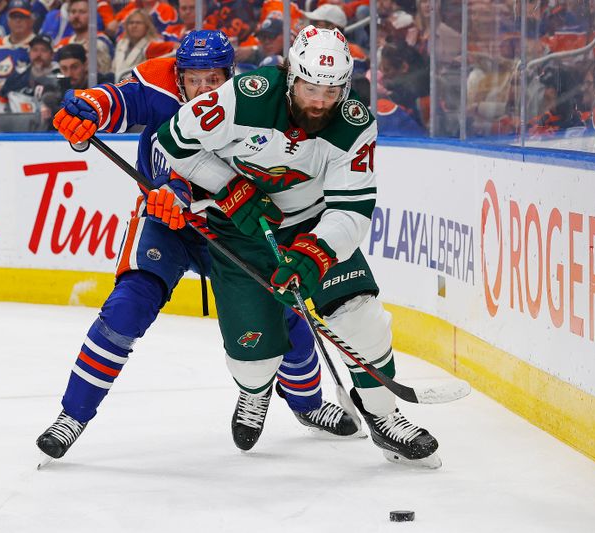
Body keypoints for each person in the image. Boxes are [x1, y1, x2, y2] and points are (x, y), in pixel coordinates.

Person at [36, 29, 360, 462]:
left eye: (214, 79)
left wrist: (184, 191)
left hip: (227, 229)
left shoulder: (249, 106)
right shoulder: (161, 90)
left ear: (229, 75)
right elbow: (123, 101)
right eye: (194, 79)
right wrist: (91, 109)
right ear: (179, 77)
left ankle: (308, 403)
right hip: (165, 227)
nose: (204, 89)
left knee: (283, 314)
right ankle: (72, 416)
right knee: (126, 308)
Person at [152, 26, 440, 465]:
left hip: (311, 226)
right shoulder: (244, 96)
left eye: (332, 90)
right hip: (239, 232)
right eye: (309, 88)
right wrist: (228, 187)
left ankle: (384, 416)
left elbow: (351, 209)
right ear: (290, 79)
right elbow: (175, 141)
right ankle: (253, 393)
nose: (321, 101)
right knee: (251, 354)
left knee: (362, 317)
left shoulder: (354, 124)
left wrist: (314, 255)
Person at [55, 0, 114, 75]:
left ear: (92, 15)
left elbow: (103, 72)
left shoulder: (101, 41)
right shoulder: (65, 42)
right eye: (73, 12)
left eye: (82, 12)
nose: (76, 16)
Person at [111, 8, 158, 82]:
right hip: (115, 84)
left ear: (147, 26)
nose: (134, 26)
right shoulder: (121, 43)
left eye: (138, 23)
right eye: (131, 23)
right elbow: (113, 68)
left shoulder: (153, 45)